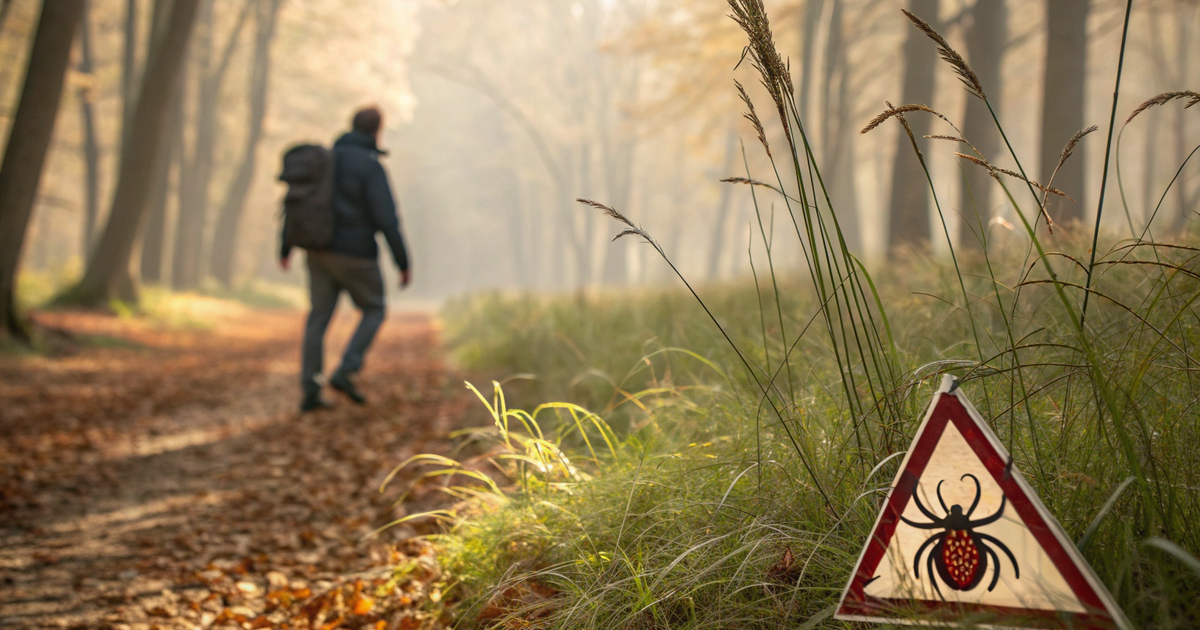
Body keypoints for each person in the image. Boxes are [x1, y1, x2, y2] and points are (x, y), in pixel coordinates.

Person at [281, 106, 412, 412]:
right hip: (356, 254)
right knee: (374, 309)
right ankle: (346, 370)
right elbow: (387, 218)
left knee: (318, 318)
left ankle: (310, 390)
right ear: (376, 130)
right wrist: (403, 262)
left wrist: (285, 247)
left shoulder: (325, 160)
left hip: (317, 251)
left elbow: (298, 202)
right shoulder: (370, 167)